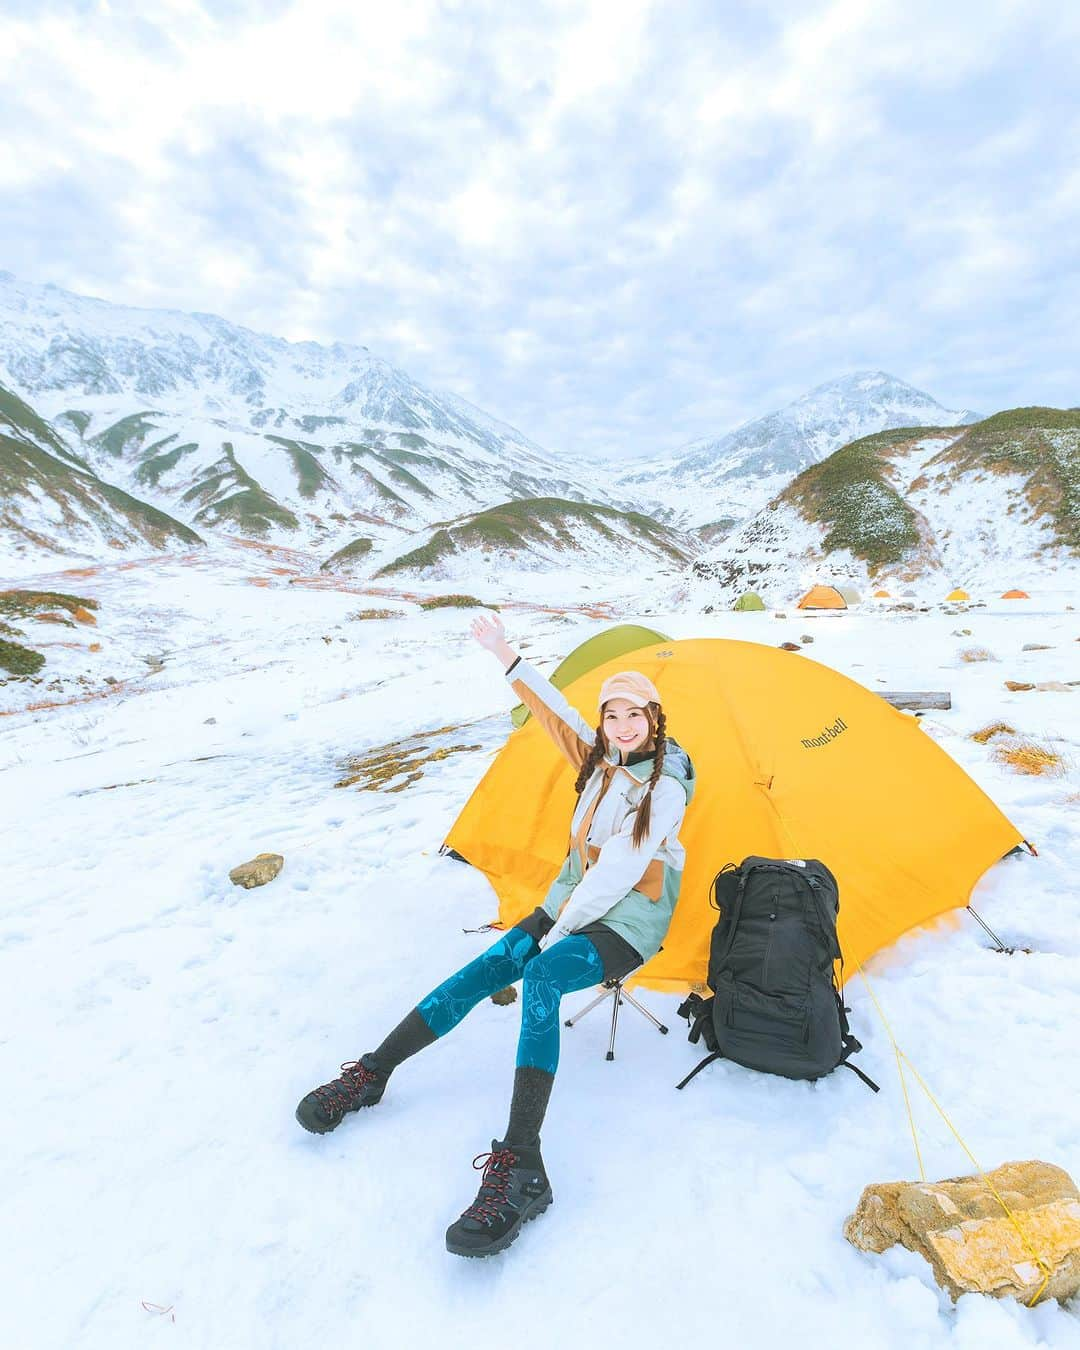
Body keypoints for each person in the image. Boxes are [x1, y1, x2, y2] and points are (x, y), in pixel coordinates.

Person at [295, 613, 696, 1257]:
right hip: (572, 905)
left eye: (634, 716)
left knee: (537, 975)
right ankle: (372, 1074)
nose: (621, 728)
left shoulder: (664, 787)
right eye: (611, 716)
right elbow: (553, 709)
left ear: (655, 717)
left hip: (627, 920)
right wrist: (503, 652)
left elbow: (620, 870)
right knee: (489, 968)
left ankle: (524, 1165)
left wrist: (552, 931)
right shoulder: (599, 755)